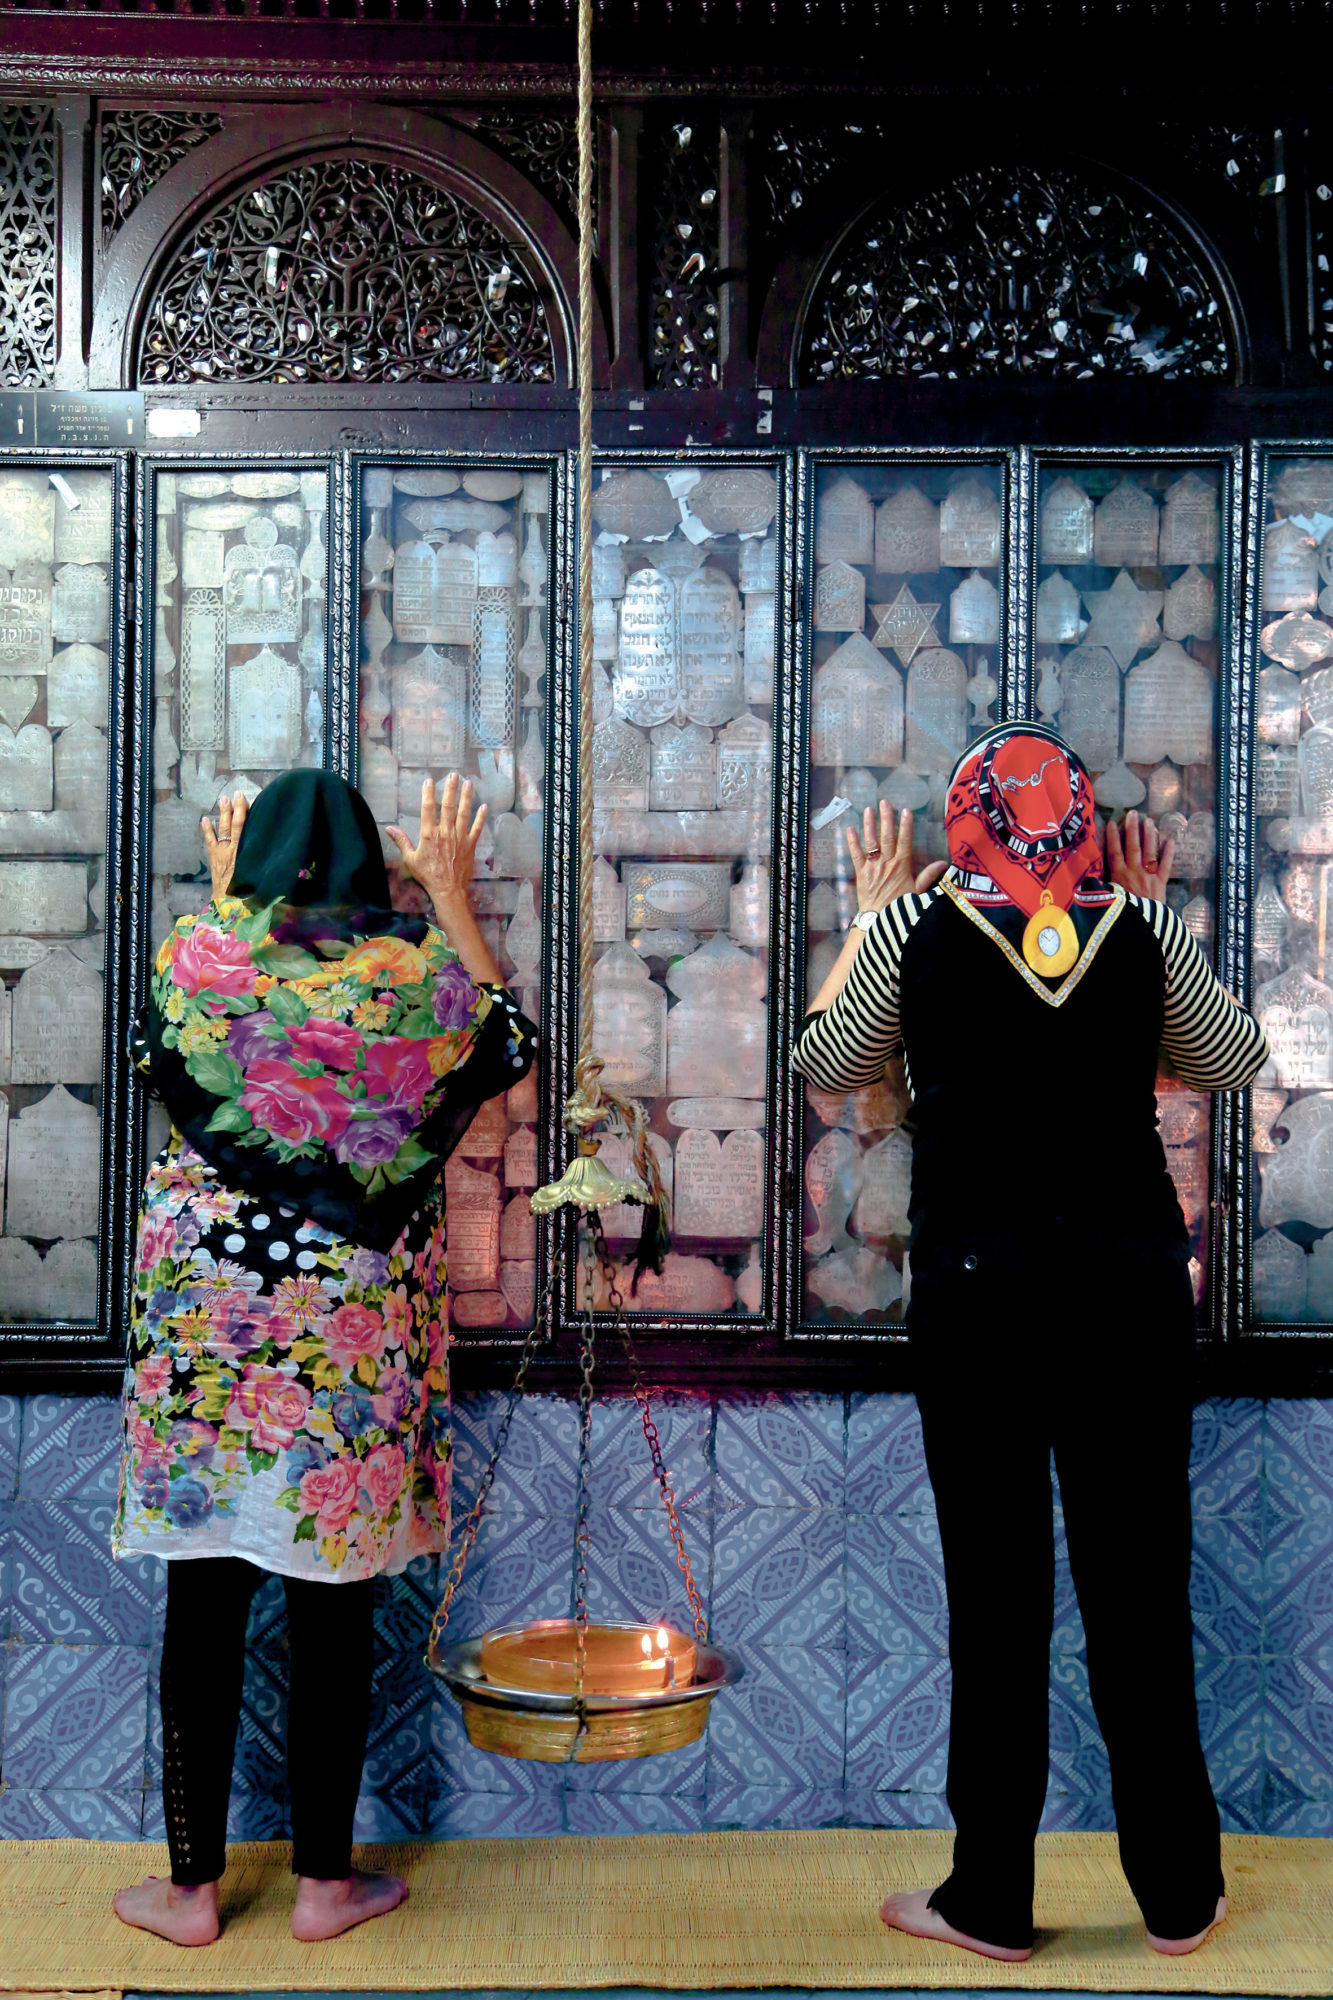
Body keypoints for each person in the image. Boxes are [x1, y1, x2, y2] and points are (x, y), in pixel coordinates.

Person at [793, 722, 1267, 1963]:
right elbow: (1235, 1057)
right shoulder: (1136, 929)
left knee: (995, 1602)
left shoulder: (916, 928)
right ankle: (1176, 1894)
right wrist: (1155, 940)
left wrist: (872, 911)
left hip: (980, 1301)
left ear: (963, 821)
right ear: (1080, 818)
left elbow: (824, 1059)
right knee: (1139, 1594)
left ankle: (988, 1899)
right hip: (1126, 1298)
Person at [112, 769, 536, 1947]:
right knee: (333, 1598)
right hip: (346, 1322)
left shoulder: (199, 952)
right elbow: (509, 1040)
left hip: (209, 1324)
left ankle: (190, 1890)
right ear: (370, 866)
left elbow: (190, 1052)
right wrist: (448, 897)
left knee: (200, 1598)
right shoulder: (412, 974)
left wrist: (227, 908)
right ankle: (322, 1884)